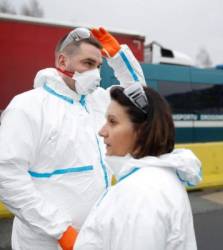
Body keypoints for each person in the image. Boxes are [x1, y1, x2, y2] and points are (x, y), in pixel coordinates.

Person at [0, 26, 145, 250]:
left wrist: (120, 57)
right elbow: (7, 175)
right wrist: (59, 230)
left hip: (95, 235)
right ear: (62, 62)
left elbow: (140, 99)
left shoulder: (98, 101)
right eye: (87, 63)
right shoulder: (28, 106)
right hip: (44, 242)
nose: (95, 74)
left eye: (98, 66)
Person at [74, 84, 201, 250]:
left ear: (141, 131)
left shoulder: (141, 194)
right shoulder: (153, 180)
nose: (102, 131)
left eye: (112, 122)